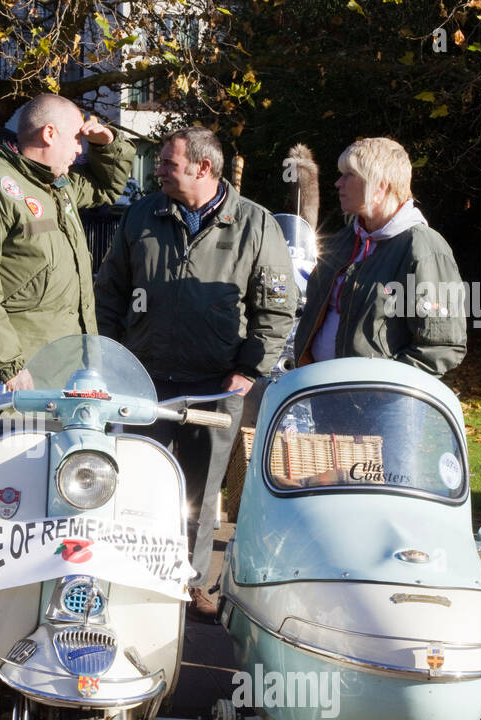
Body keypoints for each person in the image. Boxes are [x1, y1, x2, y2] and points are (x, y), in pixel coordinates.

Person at [95, 126, 295, 621]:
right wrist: (109, 356)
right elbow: (110, 290)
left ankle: (191, 581)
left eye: (167, 161)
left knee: (200, 490)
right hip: (145, 378)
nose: (158, 168)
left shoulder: (255, 224)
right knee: (136, 477)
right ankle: (134, 572)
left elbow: (276, 306)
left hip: (216, 384)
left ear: (203, 168)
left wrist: (249, 370)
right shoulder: (142, 215)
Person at [0, 93, 134, 391]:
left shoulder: (57, 185)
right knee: (17, 439)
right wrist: (8, 366)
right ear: (49, 134)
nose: (78, 149)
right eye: (75, 139)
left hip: (70, 372)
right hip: (21, 379)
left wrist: (106, 144)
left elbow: (106, 187)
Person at [292, 136, 466, 376]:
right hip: (323, 392)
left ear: (380, 186)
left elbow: (441, 346)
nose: (337, 183)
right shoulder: (344, 239)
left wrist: (383, 389)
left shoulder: (424, 248)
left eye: (349, 175)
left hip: (377, 405)